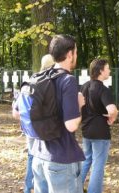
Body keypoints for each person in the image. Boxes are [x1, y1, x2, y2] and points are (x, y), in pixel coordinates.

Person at [31, 34, 86, 193]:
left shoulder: (41, 77)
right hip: (61, 160)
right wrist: (79, 105)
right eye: (75, 52)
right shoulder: (68, 80)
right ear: (69, 54)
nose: (76, 55)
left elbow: (17, 113)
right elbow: (71, 125)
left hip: (39, 155)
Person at [12, 54, 55, 193]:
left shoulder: (30, 81)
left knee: (32, 157)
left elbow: (16, 112)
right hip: (42, 129)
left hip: (29, 129)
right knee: (45, 159)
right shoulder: (49, 83)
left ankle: (27, 188)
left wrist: (28, 121)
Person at [80, 58, 119, 193]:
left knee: (86, 160)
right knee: (98, 165)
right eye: (107, 68)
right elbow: (112, 110)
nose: (109, 71)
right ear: (101, 71)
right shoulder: (103, 89)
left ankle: (75, 188)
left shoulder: (84, 86)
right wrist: (112, 118)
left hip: (86, 131)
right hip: (101, 133)